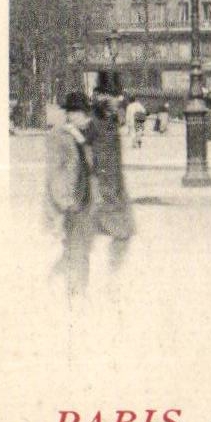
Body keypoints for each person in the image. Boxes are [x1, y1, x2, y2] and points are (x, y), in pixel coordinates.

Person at [44, 90, 95, 301]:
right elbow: (55, 173)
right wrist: (63, 203)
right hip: (69, 203)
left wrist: (83, 141)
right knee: (76, 251)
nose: (77, 117)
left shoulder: (84, 135)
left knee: (79, 251)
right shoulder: (59, 136)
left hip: (85, 201)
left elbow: (92, 165)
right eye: (74, 113)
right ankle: (69, 293)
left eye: (81, 113)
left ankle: (74, 291)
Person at [89, 71, 135, 274]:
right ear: (98, 96)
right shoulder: (91, 122)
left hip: (114, 191)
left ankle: (112, 277)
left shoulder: (111, 121)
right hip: (97, 193)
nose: (116, 99)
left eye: (117, 95)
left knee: (125, 233)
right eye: (110, 95)